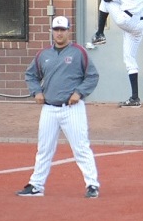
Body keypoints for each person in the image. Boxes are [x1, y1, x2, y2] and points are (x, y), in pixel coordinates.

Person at [16, 16, 100, 198]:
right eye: (56, 30)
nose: (59, 33)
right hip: (49, 108)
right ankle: (36, 185)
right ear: (52, 31)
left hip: (72, 108)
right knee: (44, 148)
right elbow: (31, 75)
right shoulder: (43, 55)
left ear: (69, 31)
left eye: (62, 30)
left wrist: (79, 93)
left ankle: (92, 184)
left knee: (81, 147)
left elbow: (92, 76)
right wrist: (36, 92)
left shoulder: (79, 52)